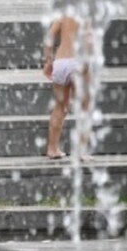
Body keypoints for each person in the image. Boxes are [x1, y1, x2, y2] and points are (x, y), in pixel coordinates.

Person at [43, 15, 89, 160]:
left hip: (61, 62)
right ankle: (81, 152)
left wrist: (49, 61)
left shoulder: (63, 15)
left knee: (60, 107)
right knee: (83, 107)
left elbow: (49, 38)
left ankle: (52, 149)